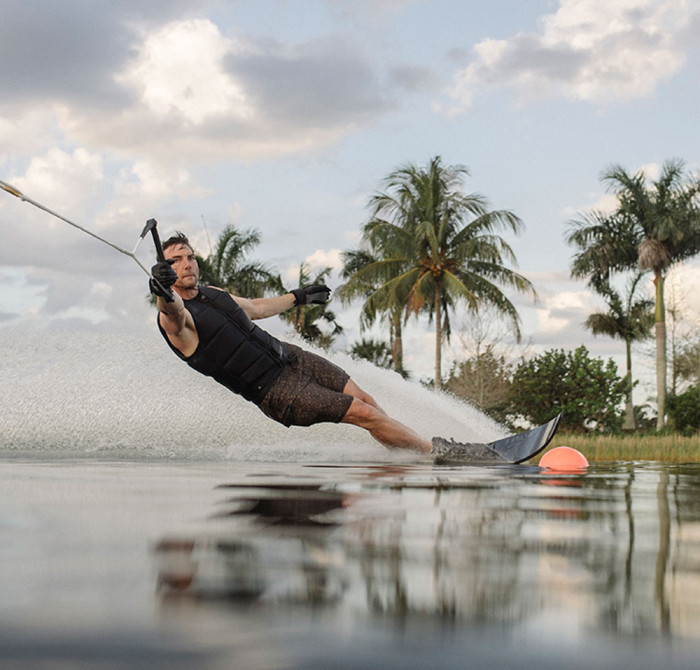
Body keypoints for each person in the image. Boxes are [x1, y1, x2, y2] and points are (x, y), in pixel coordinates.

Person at [150, 232, 432, 453]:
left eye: (190, 257)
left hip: (293, 358)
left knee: (366, 400)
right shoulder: (176, 321)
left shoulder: (213, 293)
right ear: (166, 270)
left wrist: (300, 296)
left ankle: (405, 450)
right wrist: (161, 290)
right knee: (363, 412)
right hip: (277, 390)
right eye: (175, 261)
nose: (186, 264)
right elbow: (171, 309)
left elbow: (256, 308)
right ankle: (433, 453)